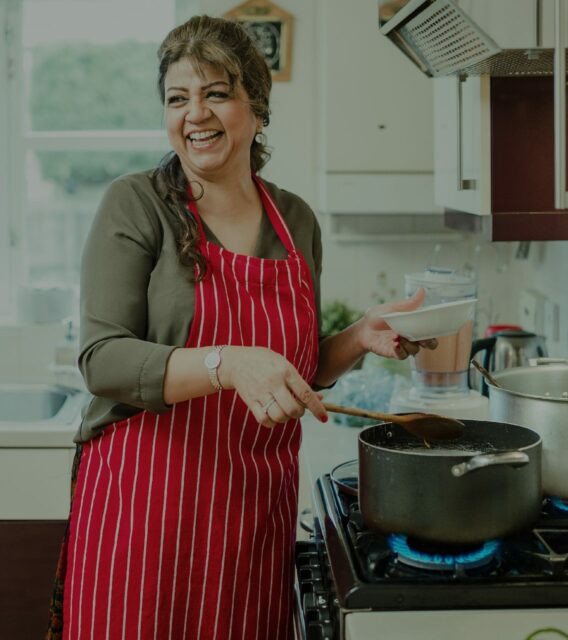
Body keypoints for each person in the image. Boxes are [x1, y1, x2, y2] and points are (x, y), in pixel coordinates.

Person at [46, 15, 437, 640]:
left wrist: (360, 337)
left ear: (256, 110)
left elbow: (291, 370)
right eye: (178, 98)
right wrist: (226, 362)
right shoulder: (137, 203)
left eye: (216, 93)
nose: (195, 114)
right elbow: (104, 359)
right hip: (146, 511)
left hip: (252, 516)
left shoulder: (294, 219)